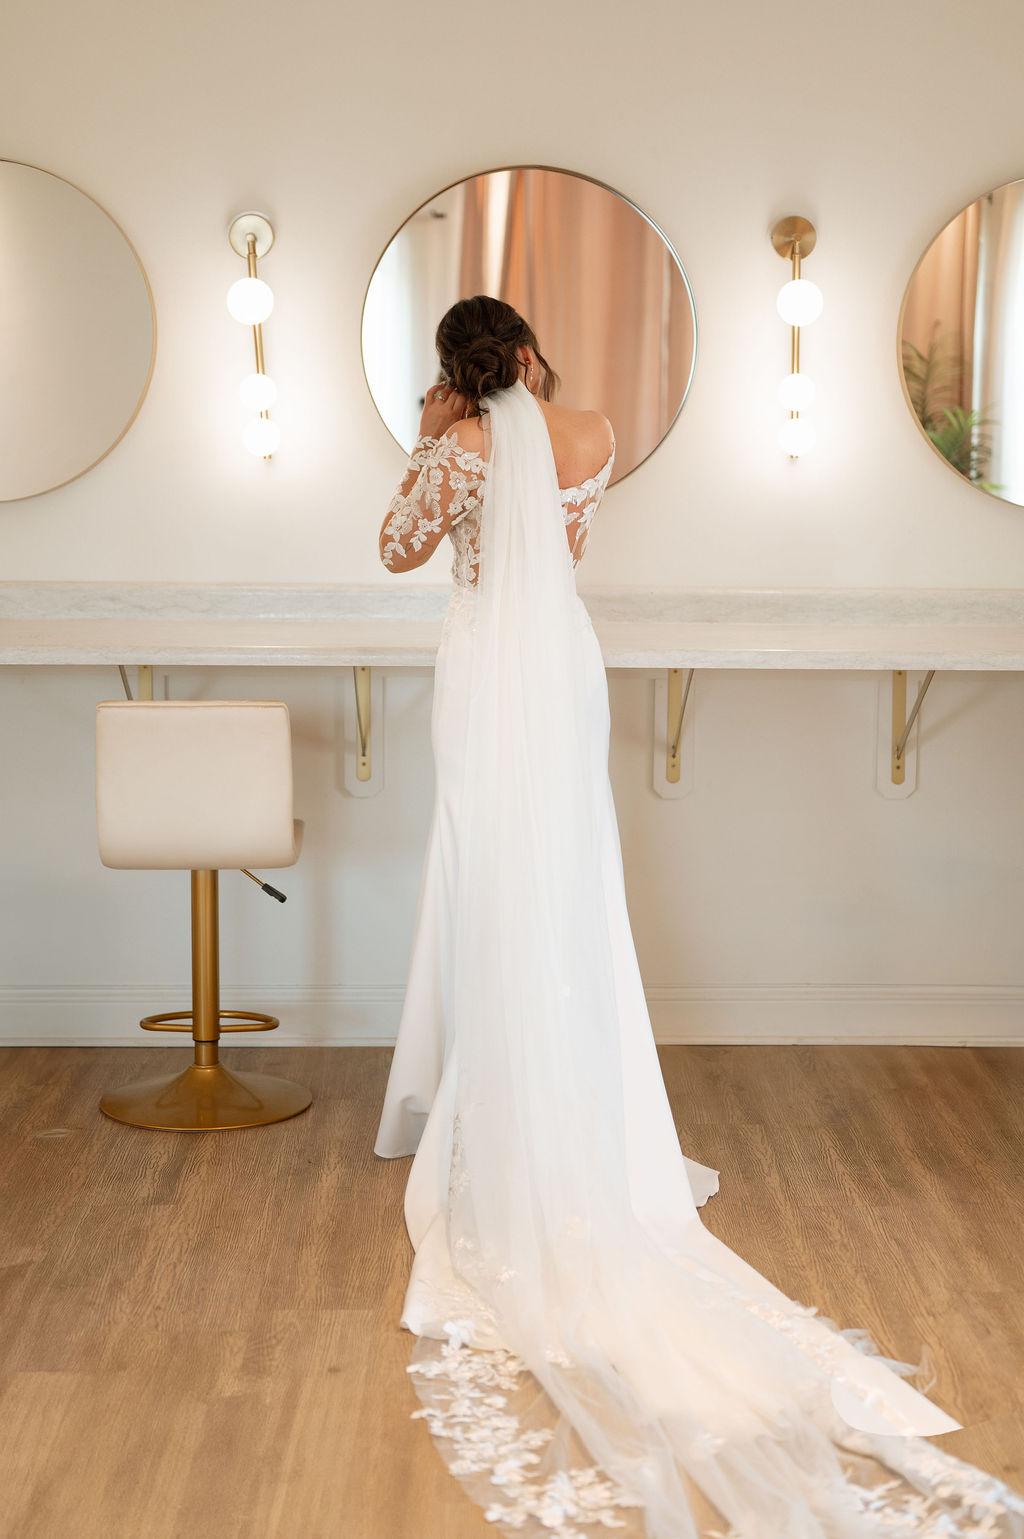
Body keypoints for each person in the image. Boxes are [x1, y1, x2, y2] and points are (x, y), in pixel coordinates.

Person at [373, 295, 1024, 1538]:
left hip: (482, 662)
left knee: (486, 866)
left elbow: (397, 550)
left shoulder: (455, 446)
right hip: (561, 659)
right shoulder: (598, 430)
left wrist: (429, 432)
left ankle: (502, 1104)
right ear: (525, 350)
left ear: (455, 369)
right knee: (565, 876)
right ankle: (576, 1101)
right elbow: (552, 542)